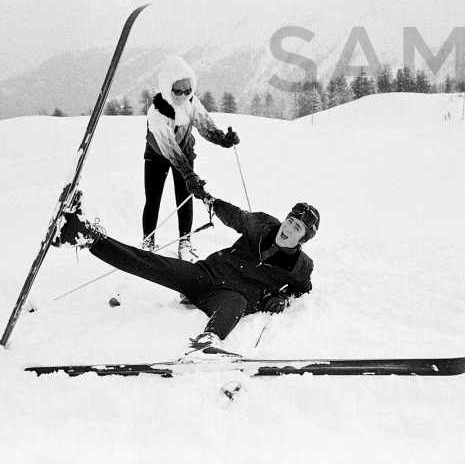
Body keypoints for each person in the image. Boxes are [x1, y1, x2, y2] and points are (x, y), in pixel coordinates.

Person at [51, 188, 320, 358]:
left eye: (297, 229)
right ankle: (84, 236)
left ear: (302, 239)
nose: (289, 228)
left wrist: (283, 298)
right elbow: (234, 215)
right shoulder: (262, 225)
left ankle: (206, 343)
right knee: (152, 264)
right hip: (206, 274)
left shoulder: (301, 266)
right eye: (291, 221)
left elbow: (302, 288)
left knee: (235, 303)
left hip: (230, 296)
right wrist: (206, 198)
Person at [143, 55, 239, 262]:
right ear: (168, 87)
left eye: (188, 90)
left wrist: (224, 139)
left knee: (185, 198)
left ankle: (185, 242)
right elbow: (169, 148)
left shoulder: (191, 102)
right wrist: (188, 173)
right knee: (153, 200)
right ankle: (147, 242)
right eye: (178, 91)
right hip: (157, 156)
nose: (184, 95)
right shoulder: (157, 111)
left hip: (185, 152)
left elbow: (206, 126)